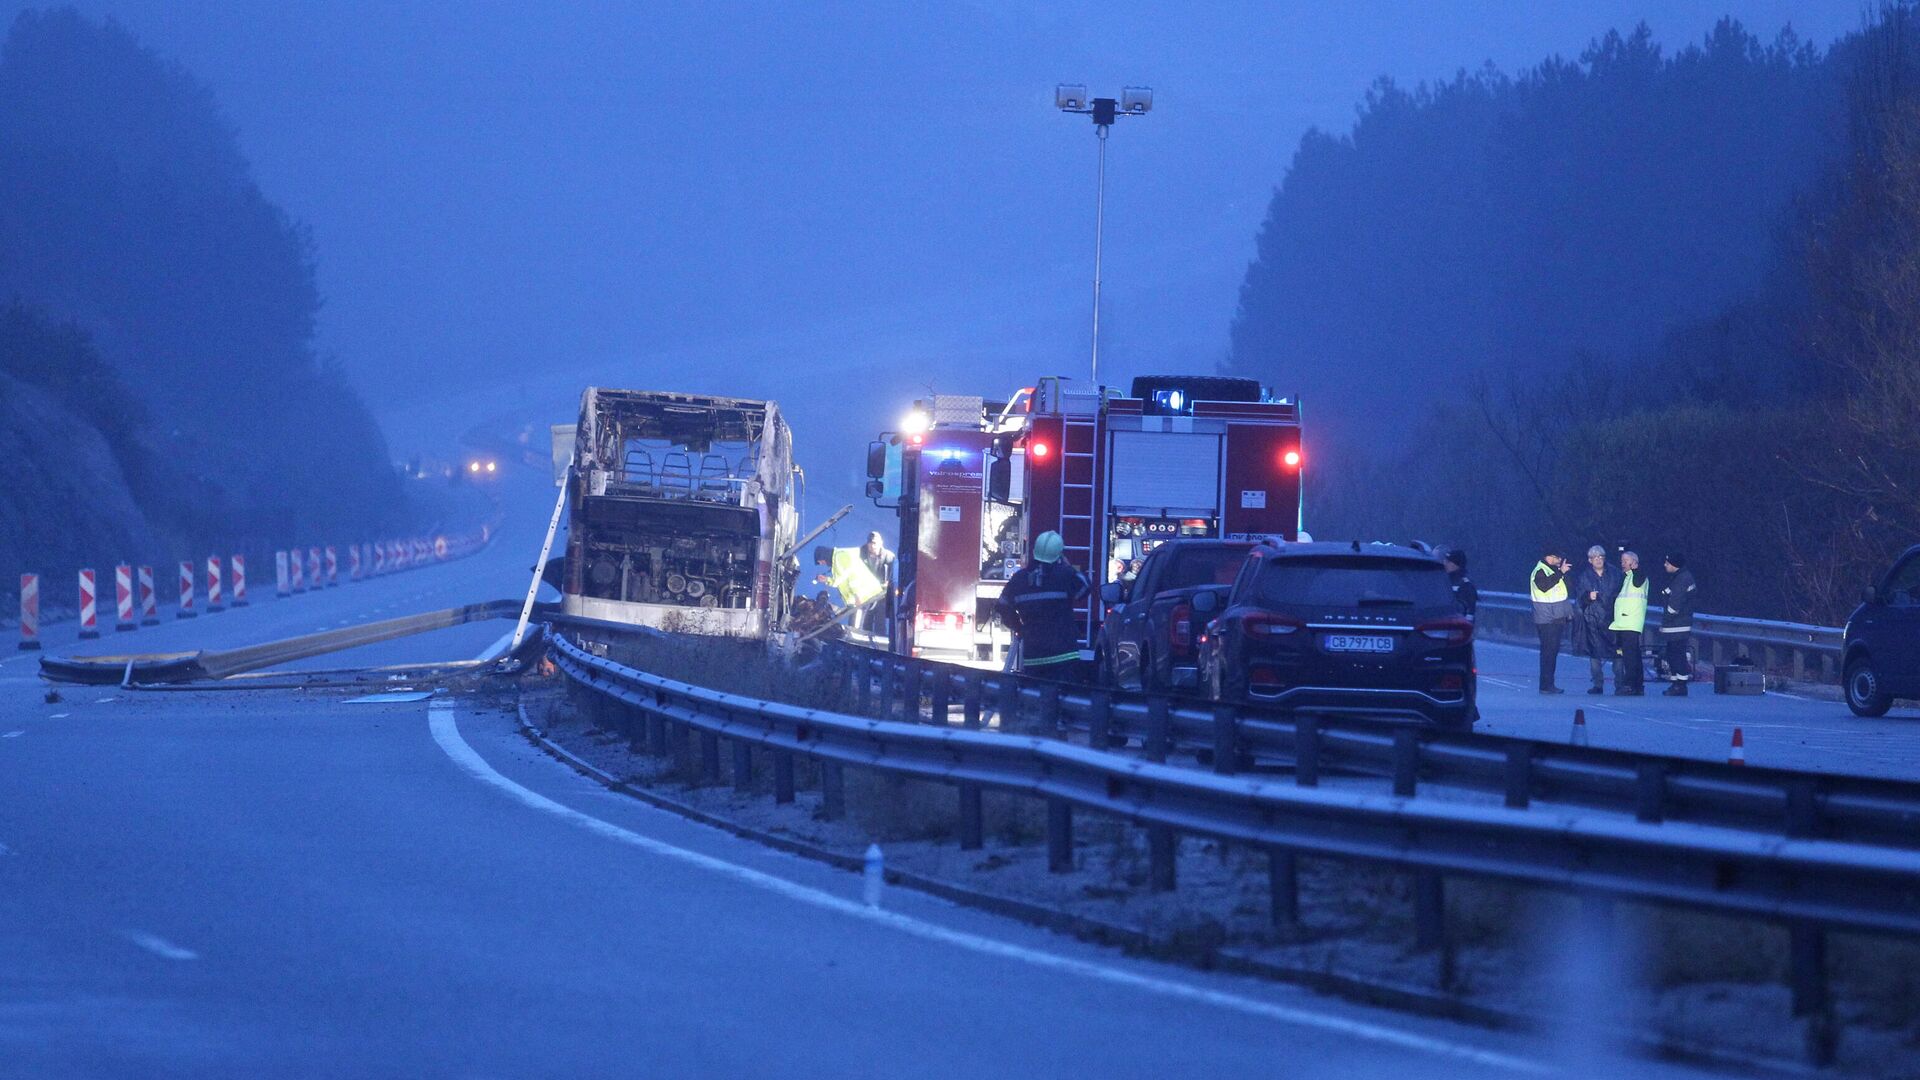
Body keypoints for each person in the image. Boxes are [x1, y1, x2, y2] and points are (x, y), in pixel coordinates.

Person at [993, 530, 1091, 680]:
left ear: (1034, 552)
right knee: (1065, 700)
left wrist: (1019, 628)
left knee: (1035, 697)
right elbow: (1085, 588)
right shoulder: (1065, 575)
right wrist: (1067, 565)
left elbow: (1002, 606)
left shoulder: (1019, 579)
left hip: (1034, 657)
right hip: (1065, 655)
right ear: (1059, 555)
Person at [1571, 544, 1622, 695]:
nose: (1598, 560)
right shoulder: (1584, 577)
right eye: (1595, 557)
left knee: (1618, 653)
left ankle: (1620, 684)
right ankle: (1597, 684)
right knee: (1595, 653)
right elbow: (1579, 599)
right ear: (1590, 560)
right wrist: (1588, 597)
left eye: (1601, 557)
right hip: (1593, 620)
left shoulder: (1615, 574)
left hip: (1613, 618)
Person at [1529, 549, 1573, 694]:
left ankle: (1548, 684)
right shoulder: (1540, 571)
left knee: (1552, 652)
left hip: (1555, 618)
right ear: (1548, 557)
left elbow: (1564, 591)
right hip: (1547, 619)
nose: (1559, 559)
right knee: (1548, 653)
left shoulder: (1551, 570)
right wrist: (1560, 573)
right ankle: (1546, 685)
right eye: (1557, 557)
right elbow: (1544, 586)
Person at [813, 544, 885, 628]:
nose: (822, 564)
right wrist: (827, 580)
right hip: (862, 598)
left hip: (865, 596)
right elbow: (841, 580)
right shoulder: (837, 561)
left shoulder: (840, 557)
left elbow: (853, 577)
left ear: (824, 556)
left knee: (856, 629)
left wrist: (857, 596)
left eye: (821, 561)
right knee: (860, 627)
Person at [1610, 551, 1648, 696]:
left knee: (1630, 656)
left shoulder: (1639, 576)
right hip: (1624, 621)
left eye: (1626, 561)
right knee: (1634, 654)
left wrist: (1635, 567)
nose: (1623, 563)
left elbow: (1638, 580)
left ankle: (1630, 684)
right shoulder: (1627, 577)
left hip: (1631, 621)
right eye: (1622, 561)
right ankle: (1638, 684)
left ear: (1634, 562)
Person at [1660, 554, 1697, 696]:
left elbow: (1674, 605)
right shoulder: (1680, 577)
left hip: (1677, 624)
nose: (1665, 565)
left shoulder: (1681, 579)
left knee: (1677, 655)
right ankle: (1676, 683)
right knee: (1672, 654)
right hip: (1677, 624)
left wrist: (1666, 620)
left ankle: (1680, 685)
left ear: (1674, 565)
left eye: (1667, 563)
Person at [857, 531, 895, 632]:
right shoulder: (860, 555)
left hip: (882, 594)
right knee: (865, 620)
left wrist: (887, 584)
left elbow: (893, 575)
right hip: (866, 593)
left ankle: (880, 642)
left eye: (875, 543)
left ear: (880, 543)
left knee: (880, 621)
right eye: (871, 543)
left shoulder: (889, 557)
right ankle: (865, 641)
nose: (873, 546)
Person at [1443, 549, 1478, 617]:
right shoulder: (1443, 581)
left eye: (1448, 562)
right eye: (1445, 561)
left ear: (1457, 565)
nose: (1445, 564)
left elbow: (1469, 612)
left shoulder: (1466, 585)